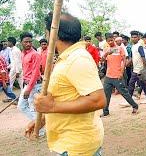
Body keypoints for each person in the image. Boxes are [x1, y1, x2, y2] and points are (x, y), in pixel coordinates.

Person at [25, 12, 106, 155]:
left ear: (53, 33)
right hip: (69, 143)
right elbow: (67, 96)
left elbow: (98, 100)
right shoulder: (67, 58)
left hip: (77, 147)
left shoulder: (77, 59)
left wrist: (52, 106)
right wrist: (42, 119)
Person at [102, 35, 138, 116]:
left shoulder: (119, 48)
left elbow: (124, 60)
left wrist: (121, 73)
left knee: (124, 93)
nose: (110, 42)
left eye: (111, 40)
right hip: (108, 76)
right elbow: (103, 60)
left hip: (117, 75)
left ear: (114, 40)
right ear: (106, 41)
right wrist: (106, 54)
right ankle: (105, 112)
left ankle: (135, 106)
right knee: (106, 94)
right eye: (108, 41)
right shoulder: (106, 49)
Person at [18, 32, 43, 135]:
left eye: (30, 42)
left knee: (26, 106)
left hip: (34, 85)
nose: (28, 44)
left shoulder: (35, 54)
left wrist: (28, 88)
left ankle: (39, 128)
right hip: (27, 84)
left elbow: (35, 73)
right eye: (26, 42)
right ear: (21, 43)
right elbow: (26, 71)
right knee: (23, 106)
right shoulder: (23, 54)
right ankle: (39, 126)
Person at [127, 30, 146, 104]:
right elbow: (131, 58)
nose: (133, 38)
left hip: (140, 69)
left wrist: (144, 69)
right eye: (132, 37)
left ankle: (129, 100)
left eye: (135, 37)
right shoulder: (133, 47)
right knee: (143, 84)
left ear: (138, 38)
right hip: (135, 68)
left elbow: (143, 57)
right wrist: (127, 64)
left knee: (131, 83)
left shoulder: (139, 46)